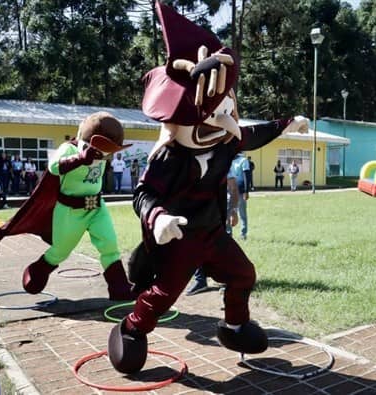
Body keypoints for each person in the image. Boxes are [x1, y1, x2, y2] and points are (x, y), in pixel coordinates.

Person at [108, 2, 310, 375]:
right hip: (180, 236)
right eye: (210, 115)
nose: (222, 121)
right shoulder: (169, 156)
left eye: (226, 110)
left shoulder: (226, 140)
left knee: (242, 274)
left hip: (213, 231)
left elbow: (253, 134)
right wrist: (158, 218)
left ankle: (234, 326)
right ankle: (132, 328)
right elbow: (142, 193)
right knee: (164, 296)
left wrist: (286, 124)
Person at [0, 112, 136, 301]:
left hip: (96, 207)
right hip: (70, 211)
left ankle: (119, 288)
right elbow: (54, 167)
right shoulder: (69, 149)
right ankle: (38, 269)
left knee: (110, 245)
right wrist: (79, 159)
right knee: (61, 251)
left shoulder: (105, 156)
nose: (106, 155)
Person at [186, 164, 240, 296]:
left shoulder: (223, 161)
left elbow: (233, 188)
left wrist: (233, 211)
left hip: (221, 210)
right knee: (197, 243)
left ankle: (229, 280)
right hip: (200, 210)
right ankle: (200, 280)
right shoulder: (194, 160)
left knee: (223, 244)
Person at [230, 153, 250, 240]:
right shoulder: (228, 160)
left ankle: (243, 233)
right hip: (229, 190)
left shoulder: (243, 160)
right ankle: (228, 233)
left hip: (240, 191)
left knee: (242, 213)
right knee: (229, 213)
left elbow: (247, 176)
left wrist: (246, 191)